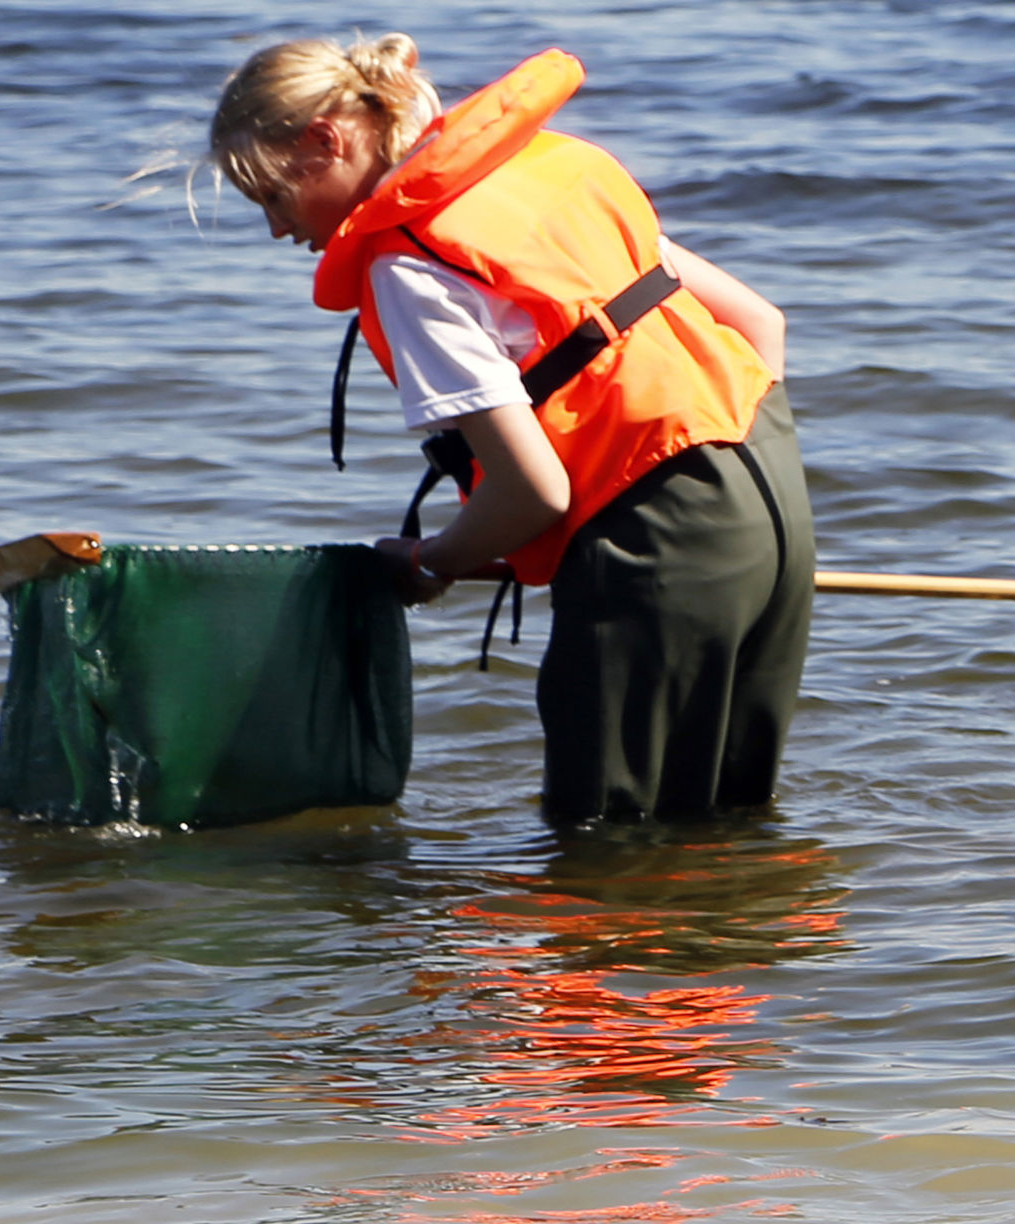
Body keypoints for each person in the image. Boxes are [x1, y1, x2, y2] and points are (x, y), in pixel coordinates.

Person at [209, 35, 815, 824]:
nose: (277, 229)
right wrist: (722, 490)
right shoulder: (551, 165)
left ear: (327, 142)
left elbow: (534, 492)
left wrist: (430, 561)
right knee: (729, 821)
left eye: (272, 196)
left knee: (603, 842)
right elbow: (760, 326)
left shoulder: (408, 265)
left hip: (655, 538)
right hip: (771, 489)